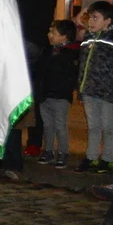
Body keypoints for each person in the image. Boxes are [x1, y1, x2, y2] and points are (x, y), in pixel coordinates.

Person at [9, 0, 58, 157]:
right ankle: (17, 138)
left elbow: (35, 13)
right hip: (18, 39)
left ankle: (33, 140)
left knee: (28, 93)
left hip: (30, 41)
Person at [75, 1, 113, 174]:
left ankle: (107, 159)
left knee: (107, 126)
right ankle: (91, 157)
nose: (91, 21)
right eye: (90, 17)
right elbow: (83, 65)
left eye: (96, 18)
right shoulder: (88, 38)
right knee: (93, 126)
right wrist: (81, 87)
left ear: (107, 21)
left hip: (107, 91)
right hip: (89, 89)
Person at [36, 19, 79, 168]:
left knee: (60, 125)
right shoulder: (48, 51)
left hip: (60, 96)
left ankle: (63, 152)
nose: (49, 35)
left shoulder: (70, 54)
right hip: (45, 95)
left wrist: (65, 92)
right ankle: (48, 150)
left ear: (64, 36)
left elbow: (70, 77)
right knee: (47, 125)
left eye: (53, 32)